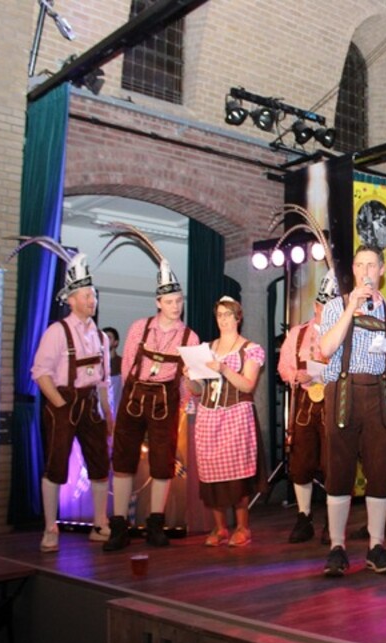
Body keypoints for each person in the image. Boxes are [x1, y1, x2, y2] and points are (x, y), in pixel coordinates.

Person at [318, 246, 386, 577]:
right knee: (339, 469)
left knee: (379, 469)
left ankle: (376, 545)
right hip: (343, 392)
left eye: (371, 265)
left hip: (382, 395)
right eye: (359, 265)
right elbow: (326, 348)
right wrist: (351, 307)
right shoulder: (335, 306)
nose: (364, 271)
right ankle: (337, 547)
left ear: (381, 270)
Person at [102, 226, 199, 552]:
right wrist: (131, 397)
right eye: (170, 301)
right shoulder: (138, 328)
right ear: (158, 301)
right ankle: (119, 526)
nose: (176, 306)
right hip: (133, 399)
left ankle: (156, 523)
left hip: (165, 402)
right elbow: (128, 367)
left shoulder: (190, 337)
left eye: (179, 300)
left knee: (162, 464)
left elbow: (187, 380)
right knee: (123, 461)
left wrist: (185, 397)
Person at [17, 240, 113, 552]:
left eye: (94, 295)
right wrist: (59, 404)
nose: (92, 300)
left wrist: (108, 413)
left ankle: (100, 523)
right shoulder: (57, 331)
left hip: (91, 405)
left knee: (100, 464)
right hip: (63, 403)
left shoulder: (100, 337)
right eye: (87, 295)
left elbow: (103, 381)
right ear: (72, 300)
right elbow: (39, 372)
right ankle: (50, 528)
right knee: (56, 465)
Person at [186, 297, 264, 547]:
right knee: (211, 473)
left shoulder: (250, 349)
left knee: (237, 476)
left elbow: (248, 385)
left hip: (236, 414)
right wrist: (189, 377)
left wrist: (224, 369)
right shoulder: (207, 348)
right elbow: (198, 390)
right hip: (209, 415)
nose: (224, 319)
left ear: (238, 317)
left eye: (228, 314)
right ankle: (220, 528)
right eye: (220, 315)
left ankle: (242, 527)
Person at [278, 287, 333, 545]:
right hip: (304, 405)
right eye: (323, 308)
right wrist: (295, 375)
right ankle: (304, 517)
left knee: (333, 464)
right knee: (301, 462)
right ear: (315, 307)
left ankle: (333, 521)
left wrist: (322, 375)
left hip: (333, 404)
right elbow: (283, 367)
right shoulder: (297, 333)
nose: (327, 313)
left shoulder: (342, 334)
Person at [103, 326, 123, 413]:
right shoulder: (96, 364)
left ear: (116, 343)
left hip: (116, 410)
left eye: (108, 338)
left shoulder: (122, 364)